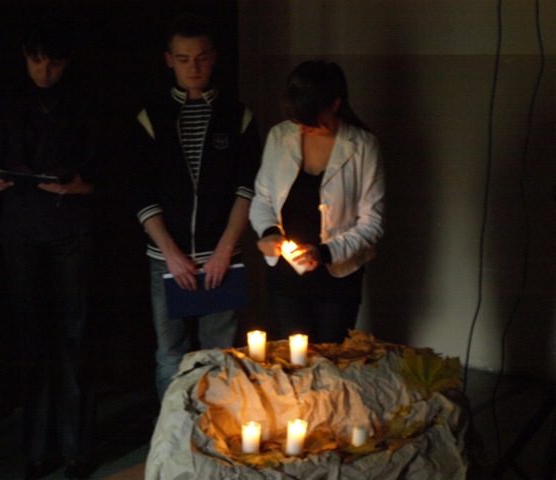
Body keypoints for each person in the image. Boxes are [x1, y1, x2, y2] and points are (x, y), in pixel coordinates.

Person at [0, 20, 98, 480]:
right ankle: (37, 449)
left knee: (75, 336)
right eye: (36, 61)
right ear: (25, 57)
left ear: (66, 62)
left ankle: (75, 450)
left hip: (71, 228)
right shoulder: (6, 99)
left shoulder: (83, 100)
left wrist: (80, 184)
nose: (44, 70)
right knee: (32, 338)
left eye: (53, 63)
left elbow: (104, 166)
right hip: (22, 229)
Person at [131, 15, 261, 402]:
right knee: (170, 355)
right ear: (169, 60)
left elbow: (247, 189)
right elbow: (142, 193)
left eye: (201, 58)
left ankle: (215, 427)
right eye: (184, 59)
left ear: (214, 57)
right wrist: (171, 254)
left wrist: (224, 250)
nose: (193, 67)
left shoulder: (238, 116)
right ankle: (173, 430)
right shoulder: (152, 117)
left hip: (221, 257)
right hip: (166, 259)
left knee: (220, 355)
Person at [249, 60, 385, 344]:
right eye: (297, 119)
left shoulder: (362, 146)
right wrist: (269, 232)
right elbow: (262, 198)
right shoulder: (280, 136)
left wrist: (325, 252)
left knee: (331, 360)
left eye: (309, 119)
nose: (302, 127)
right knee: (292, 360)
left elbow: (372, 223)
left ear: (335, 104)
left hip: (338, 280)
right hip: (286, 280)